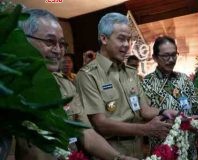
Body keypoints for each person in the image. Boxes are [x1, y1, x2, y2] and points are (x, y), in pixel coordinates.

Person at [18, 8, 137, 160]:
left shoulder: (66, 86)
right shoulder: (9, 89)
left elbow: (86, 133)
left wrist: (119, 158)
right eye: (50, 42)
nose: (58, 50)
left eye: (62, 44)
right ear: (23, 39)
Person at [75, 12, 178, 158]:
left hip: (138, 150)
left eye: (128, 40)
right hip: (111, 153)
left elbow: (144, 110)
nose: (126, 45)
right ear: (104, 38)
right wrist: (145, 129)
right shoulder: (88, 75)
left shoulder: (130, 72)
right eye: (121, 39)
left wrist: (164, 111)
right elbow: (101, 125)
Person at [141, 35, 198, 159]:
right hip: (163, 149)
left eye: (174, 54)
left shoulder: (183, 79)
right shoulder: (147, 83)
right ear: (155, 57)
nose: (171, 60)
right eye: (166, 56)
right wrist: (169, 121)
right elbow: (144, 114)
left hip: (189, 147)